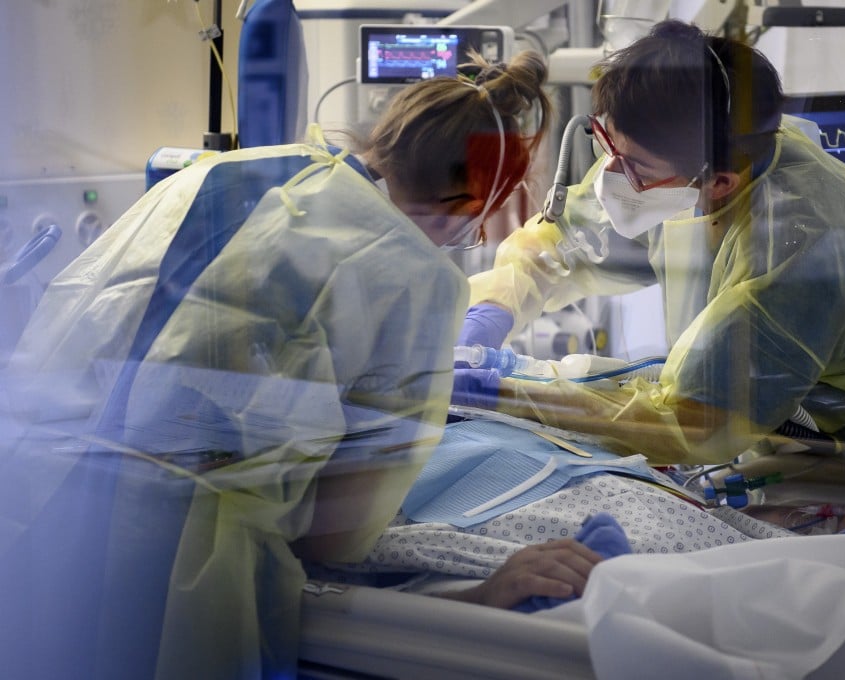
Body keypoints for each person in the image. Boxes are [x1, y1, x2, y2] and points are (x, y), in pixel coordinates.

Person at [0, 51, 551, 679]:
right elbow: (335, 536)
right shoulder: (413, 275)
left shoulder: (218, 172)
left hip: (39, 497)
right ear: (468, 203)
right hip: (184, 573)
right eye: (472, 229)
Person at [454, 19, 845, 473]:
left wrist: (512, 394)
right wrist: (489, 310)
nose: (611, 177)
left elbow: (694, 424)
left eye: (635, 169)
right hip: (795, 444)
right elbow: (567, 240)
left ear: (720, 183)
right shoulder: (680, 151)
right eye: (606, 146)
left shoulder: (799, 246)